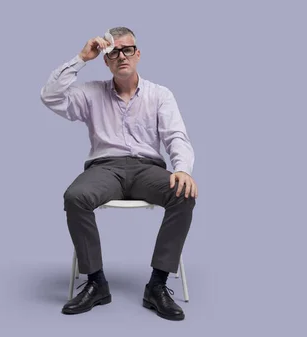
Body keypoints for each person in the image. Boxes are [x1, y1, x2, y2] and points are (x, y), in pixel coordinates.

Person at [40, 27, 197, 321]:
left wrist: (182, 169)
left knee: (183, 194)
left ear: (137, 54)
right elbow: (50, 97)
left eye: (127, 50)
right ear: (106, 59)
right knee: (75, 196)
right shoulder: (91, 93)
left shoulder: (159, 94)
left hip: (147, 169)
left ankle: (157, 285)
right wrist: (80, 58)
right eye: (113, 51)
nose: (121, 56)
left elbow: (176, 137)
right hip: (105, 168)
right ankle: (96, 282)